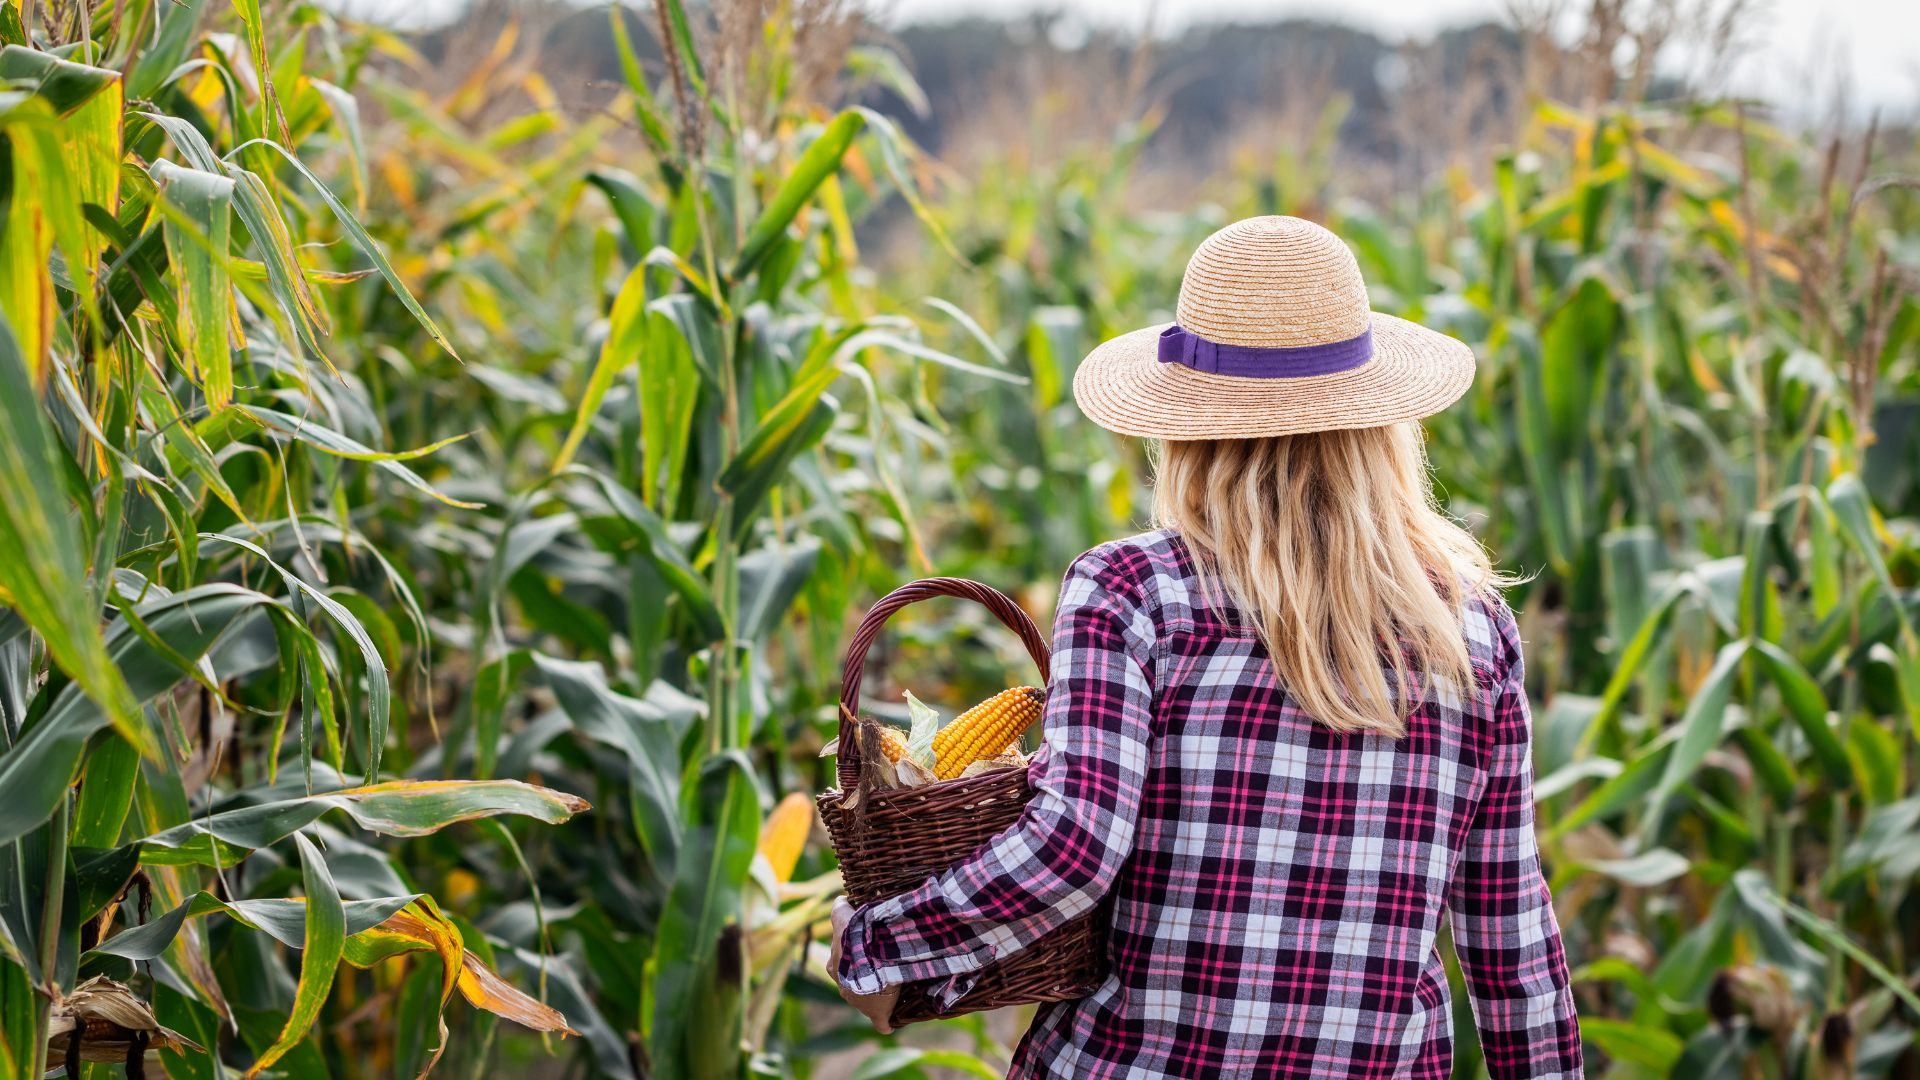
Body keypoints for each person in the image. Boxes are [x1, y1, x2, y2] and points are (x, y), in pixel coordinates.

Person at [828, 216, 1582, 1080]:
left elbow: (1073, 849)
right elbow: (1509, 936)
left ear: (1188, 426)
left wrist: (879, 943)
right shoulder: (1471, 631)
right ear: (1380, 427)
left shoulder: (1131, 591)